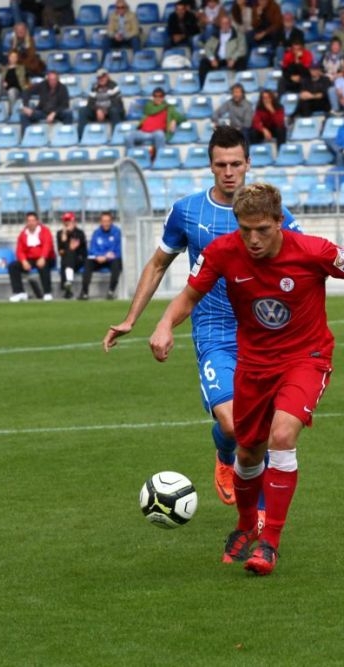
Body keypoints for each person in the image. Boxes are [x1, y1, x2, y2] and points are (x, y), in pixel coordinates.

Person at [148, 182, 344, 575]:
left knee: (282, 437)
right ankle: (244, 525)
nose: (253, 240)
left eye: (262, 229)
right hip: (254, 364)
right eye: (245, 230)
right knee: (248, 452)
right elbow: (189, 296)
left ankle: (269, 542)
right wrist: (164, 325)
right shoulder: (223, 252)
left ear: (279, 221)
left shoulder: (312, 250)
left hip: (305, 358)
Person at [103, 126, 300, 511]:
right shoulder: (188, 211)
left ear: (248, 164)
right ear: (210, 166)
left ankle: (259, 520)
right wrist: (132, 319)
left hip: (263, 334)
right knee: (232, 425)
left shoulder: (274, 215)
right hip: (213, 329)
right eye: (221, 165)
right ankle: (225, 455)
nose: (229, 172)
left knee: (262, 430)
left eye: (236, 164)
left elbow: (302, 262)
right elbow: (159, 263)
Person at [8, 211, 56, 302]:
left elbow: (47, 245)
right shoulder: (23, 234)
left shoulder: (45, 231)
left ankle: (47, 292)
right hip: (30, 259)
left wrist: (43, 257)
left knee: (43, 265)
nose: (31, 223)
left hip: (46, 257)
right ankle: (19, 292)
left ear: (37, 221)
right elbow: (19, 250)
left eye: (33, 220)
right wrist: (23, 261)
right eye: (29, 221)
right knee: (13, 266)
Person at [125, 87, 185, 156]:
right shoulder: (149, 106)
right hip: (142, 132)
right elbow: (149, 110)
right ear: (153, 97)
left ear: (163, 97)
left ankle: (160, 158)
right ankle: (131, 158)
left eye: (160, 96)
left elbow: (182, 118)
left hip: (156, 133)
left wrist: (174, 120)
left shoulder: (169, 108)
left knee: (160, 134)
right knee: (128, 135)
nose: (158, 98)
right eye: (155, 96)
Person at [80, 211, 123, 300]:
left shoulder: (116, 232)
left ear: (111, 221)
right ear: (100, 222)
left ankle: (111, 291)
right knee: (88, 262)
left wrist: (106, 256)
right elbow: (92, 249)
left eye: (108, 221)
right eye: (104, 221)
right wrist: (98, 256)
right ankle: (84, 292)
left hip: (111, 259)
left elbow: (117, 249)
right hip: (98, 259)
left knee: (117, 263)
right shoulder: (96, 232)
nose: (106, 223)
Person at [198, 14, 248, 88]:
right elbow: (207, 47)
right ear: (220, 24)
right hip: (218, 60)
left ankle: (241, 87)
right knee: (203, 63)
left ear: (230, 24)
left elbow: (242, 49)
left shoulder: (238, 35)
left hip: (232, 59)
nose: (225, 25)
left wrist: (233, 59)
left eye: (227, 23)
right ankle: (203, 87)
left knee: (242, 61)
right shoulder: (215, 35)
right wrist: (212, 59)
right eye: (223, 23)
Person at [20, 69, 74, 134]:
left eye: (54, 80)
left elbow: (65, 104)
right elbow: (27, 92)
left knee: (68, 113)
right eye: (50, 80)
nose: (52, 82)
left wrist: (54, 113)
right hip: (43, 111)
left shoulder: (63, 88)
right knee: (24, 115)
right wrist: (26, 106)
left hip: (57, 113)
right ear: (48, 80)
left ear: (58, 79)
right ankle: (26, 136)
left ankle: (67, 135)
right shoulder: (42, 85)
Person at [56, 211, 86, 299]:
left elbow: (73, 247)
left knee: (69, 254)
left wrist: (66, 239)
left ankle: (67, 286)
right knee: (66, 259)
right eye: (65, 220)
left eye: (69, 220)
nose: (67, 222)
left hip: (79, 259)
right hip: (67, 260)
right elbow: (60, 251)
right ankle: (68, 282)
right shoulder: (60, 233)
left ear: (73, 221)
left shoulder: (79, 233)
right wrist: (64, 236)